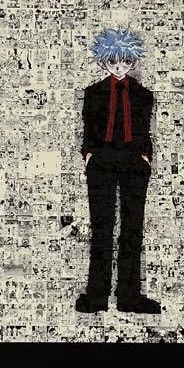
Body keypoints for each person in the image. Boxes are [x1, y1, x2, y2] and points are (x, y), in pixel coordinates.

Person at [76, 28, 161, 315]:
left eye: (125, 62)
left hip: (133, 162)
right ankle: (97, 295)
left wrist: (145, 157)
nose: (119, 68)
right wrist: (89, 155)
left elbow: (144, 128)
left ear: (133, 62)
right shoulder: (93, 93)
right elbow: (88, 126)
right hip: (101, 161)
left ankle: (129, 295)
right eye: (113, 62)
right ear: (103, 62)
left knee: (132, 228)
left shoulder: (143, 95)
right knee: (102, 227)